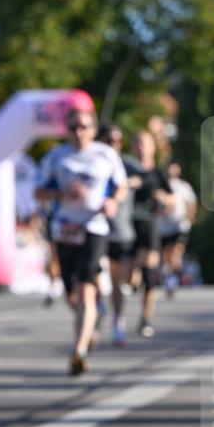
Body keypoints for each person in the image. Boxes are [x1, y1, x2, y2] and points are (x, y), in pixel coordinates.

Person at [35, 107, 127, 375]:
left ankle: (79, 350)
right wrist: (61, 192)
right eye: (73, 127)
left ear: (93, 130)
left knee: (86, 287)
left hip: (93, 227)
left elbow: (121, 185)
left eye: (84, 127)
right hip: (64, 229)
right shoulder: (56, 157)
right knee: (72, 294)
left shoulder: (105, 154)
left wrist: (113, 201)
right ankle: (91, 321)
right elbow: (38, 191)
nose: (78, 132)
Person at [125, 131, 173, 337]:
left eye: (145, 144)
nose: (141, 148)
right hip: (127, 225)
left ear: (153, 148)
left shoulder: (158, 173)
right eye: (137, 143)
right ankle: (133, 281)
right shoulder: (126, 169)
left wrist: (163, 198)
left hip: (149, 224)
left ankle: (146, 318)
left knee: (150, 272)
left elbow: (173, 198)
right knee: (129, 276)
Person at [99, 124, 134, 346]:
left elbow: (153, 179)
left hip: (121, 231)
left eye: (117, 141)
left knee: (116, 282)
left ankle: (118, 321)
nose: (113, 145)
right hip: (94, 229)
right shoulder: (91, 162)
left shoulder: (129, 166)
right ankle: (96, 309)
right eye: (109, 140)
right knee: (90, 280)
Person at [157, 160, 197, 296]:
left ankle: (173, 278)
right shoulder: (160, 184)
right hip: (163, 226)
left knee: (176, 252)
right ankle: (170, 277)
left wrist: (189, 217)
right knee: (166, 255)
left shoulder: (183, 186)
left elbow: (191, 203)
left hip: (179, 225)